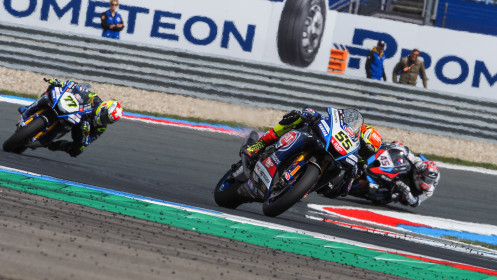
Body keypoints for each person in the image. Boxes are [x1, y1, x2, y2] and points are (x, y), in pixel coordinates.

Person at [18, 78, 123, 157]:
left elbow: (87, 142)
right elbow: (77, 87)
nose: (105, 121)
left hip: (77, 127)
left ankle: (52, 144)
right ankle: (29, 107)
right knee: (52, 88)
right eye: (105, 117)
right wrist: (63, 84)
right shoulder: (93, 98)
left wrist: (86, 133)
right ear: (103, 107)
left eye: (108, 121)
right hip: (70, 111)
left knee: (77, 150)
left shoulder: (101, 127)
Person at [366, 141, 440, 207]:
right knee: (397, 145)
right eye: (427, 179)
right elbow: (409, 153)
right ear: (420, 174)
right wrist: (397, 147)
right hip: (411, 174)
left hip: (409, 190)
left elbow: (416, 203)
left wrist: (407, 193)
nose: (428, 182)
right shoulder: (420, 164)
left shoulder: (429, 190)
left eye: (430, 180)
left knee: (395, 196)